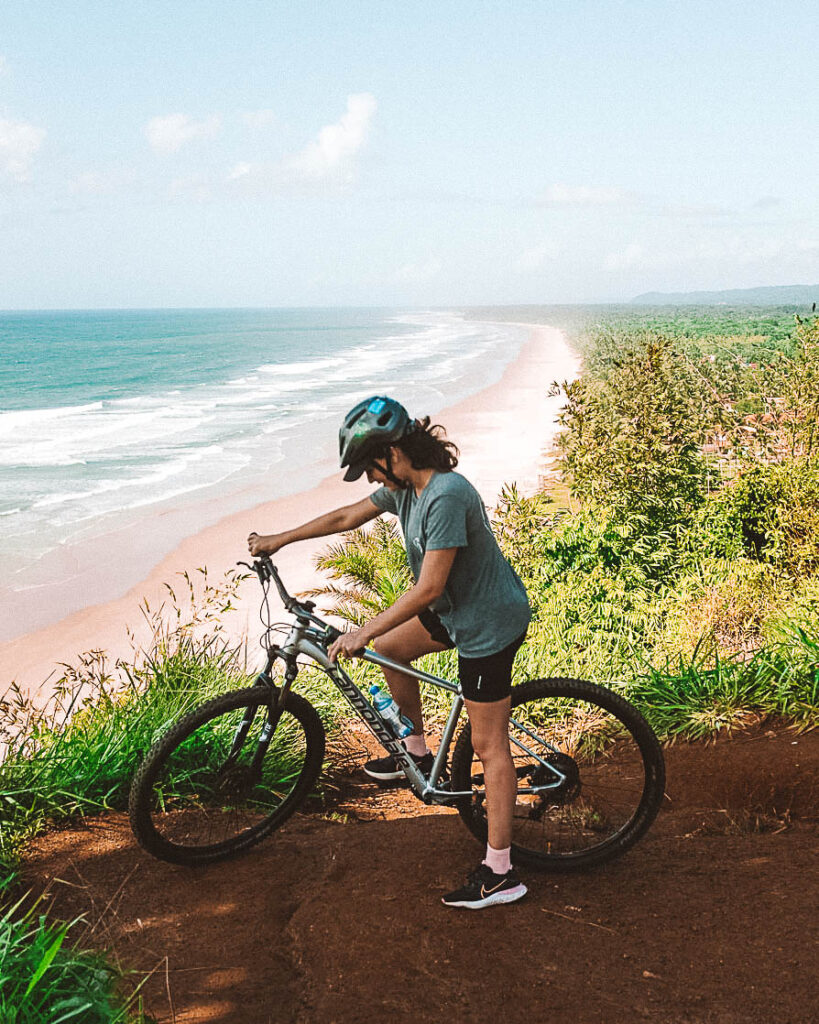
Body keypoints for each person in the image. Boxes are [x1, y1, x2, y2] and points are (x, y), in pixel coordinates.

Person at [247, 395, 531, 909]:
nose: (371, 480)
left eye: (371, 467)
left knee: (490, 748)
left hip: (487, 623)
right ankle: (416, 752)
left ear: (394, 452)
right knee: (390, 648)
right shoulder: (408, 490)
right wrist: (279, 539)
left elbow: (427, 587)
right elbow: (344, 518)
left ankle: (501, 873)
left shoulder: (445, 495)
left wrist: (358, 631)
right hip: (454, 611)